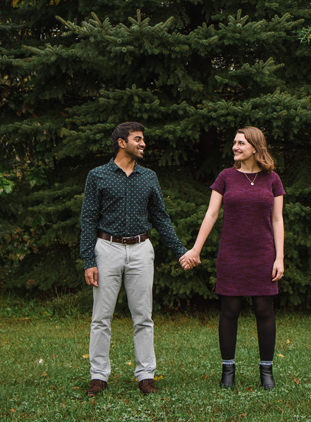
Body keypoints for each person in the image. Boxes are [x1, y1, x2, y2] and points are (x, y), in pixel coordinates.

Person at [80, 122, 196, 397]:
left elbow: (160, 218)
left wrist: (181, 251)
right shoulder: (97, 176)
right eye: (138, 139)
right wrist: (88, 260)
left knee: (143, 316)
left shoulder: (149, 177)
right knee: (101, 317)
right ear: (121, 142)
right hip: (106, 250)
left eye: (143, 140)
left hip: (142, 250)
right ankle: (98, 376)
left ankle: (146, 375)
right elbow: (88, 219)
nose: (143, 144)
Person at [180, 126, 285, 390]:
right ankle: (228, 370)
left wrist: (279, 257)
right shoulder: (226, 176)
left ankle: (266, 371)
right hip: (231, 254)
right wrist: (196, 249)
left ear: (255, 147)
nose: (235, 147)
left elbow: (277, 219)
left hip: (262, 255)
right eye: (234, 143)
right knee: (230, 310)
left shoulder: (272, 179)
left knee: (264, 310)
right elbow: (211, 214)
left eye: (241, 143)